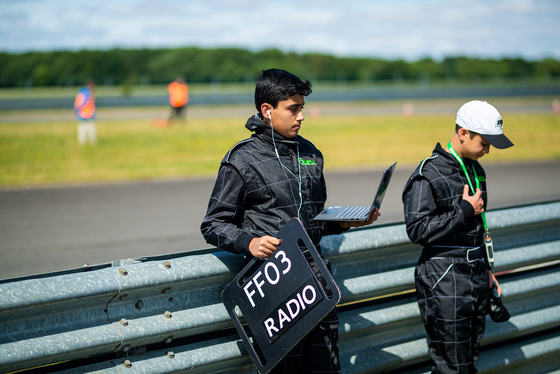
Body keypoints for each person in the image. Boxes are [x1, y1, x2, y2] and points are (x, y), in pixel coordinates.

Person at [201, 68, 380, 374]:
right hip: (274, 292)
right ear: (267, 111)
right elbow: (213, 224)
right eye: (293, 109)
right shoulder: (240, 159)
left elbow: (314, 220)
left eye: (302, 109)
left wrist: (343, 223)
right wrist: (250, 242)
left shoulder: (311, 153)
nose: (301, 117)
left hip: (318, 284)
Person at [402, 100, 514, 373]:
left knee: (469, 359)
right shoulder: (428, 172)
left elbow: (478, 228)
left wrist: (487, 270)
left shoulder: (476, 169)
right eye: (485, 142)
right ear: (463, 133)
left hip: (475, 274)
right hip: (444, 278)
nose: (487, 149)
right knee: (452, 365)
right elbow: (417, 228)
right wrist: (464, 210)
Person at [74, 80, 96, 145]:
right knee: (90, 128)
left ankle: (82, 142)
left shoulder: (81, 92)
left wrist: (76, 110)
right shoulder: (88, 93)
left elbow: (77, 104)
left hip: (82, 113)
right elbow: (84, 103)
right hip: (87, 113)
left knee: (82, 128)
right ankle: (92, 141)